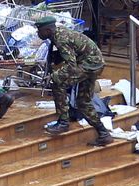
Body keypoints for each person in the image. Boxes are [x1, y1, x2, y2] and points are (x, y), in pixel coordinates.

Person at [34, 16, 113, 146]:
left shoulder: (61, 38)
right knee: (83, 102)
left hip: (89, 64)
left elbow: (71, 65)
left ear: (47, 30)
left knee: (57, 82)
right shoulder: (57, 34)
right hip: (93, 63)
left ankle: (63, 123)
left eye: (39, 30)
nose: (38, 34)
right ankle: (104, 134)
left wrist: (54, 76)